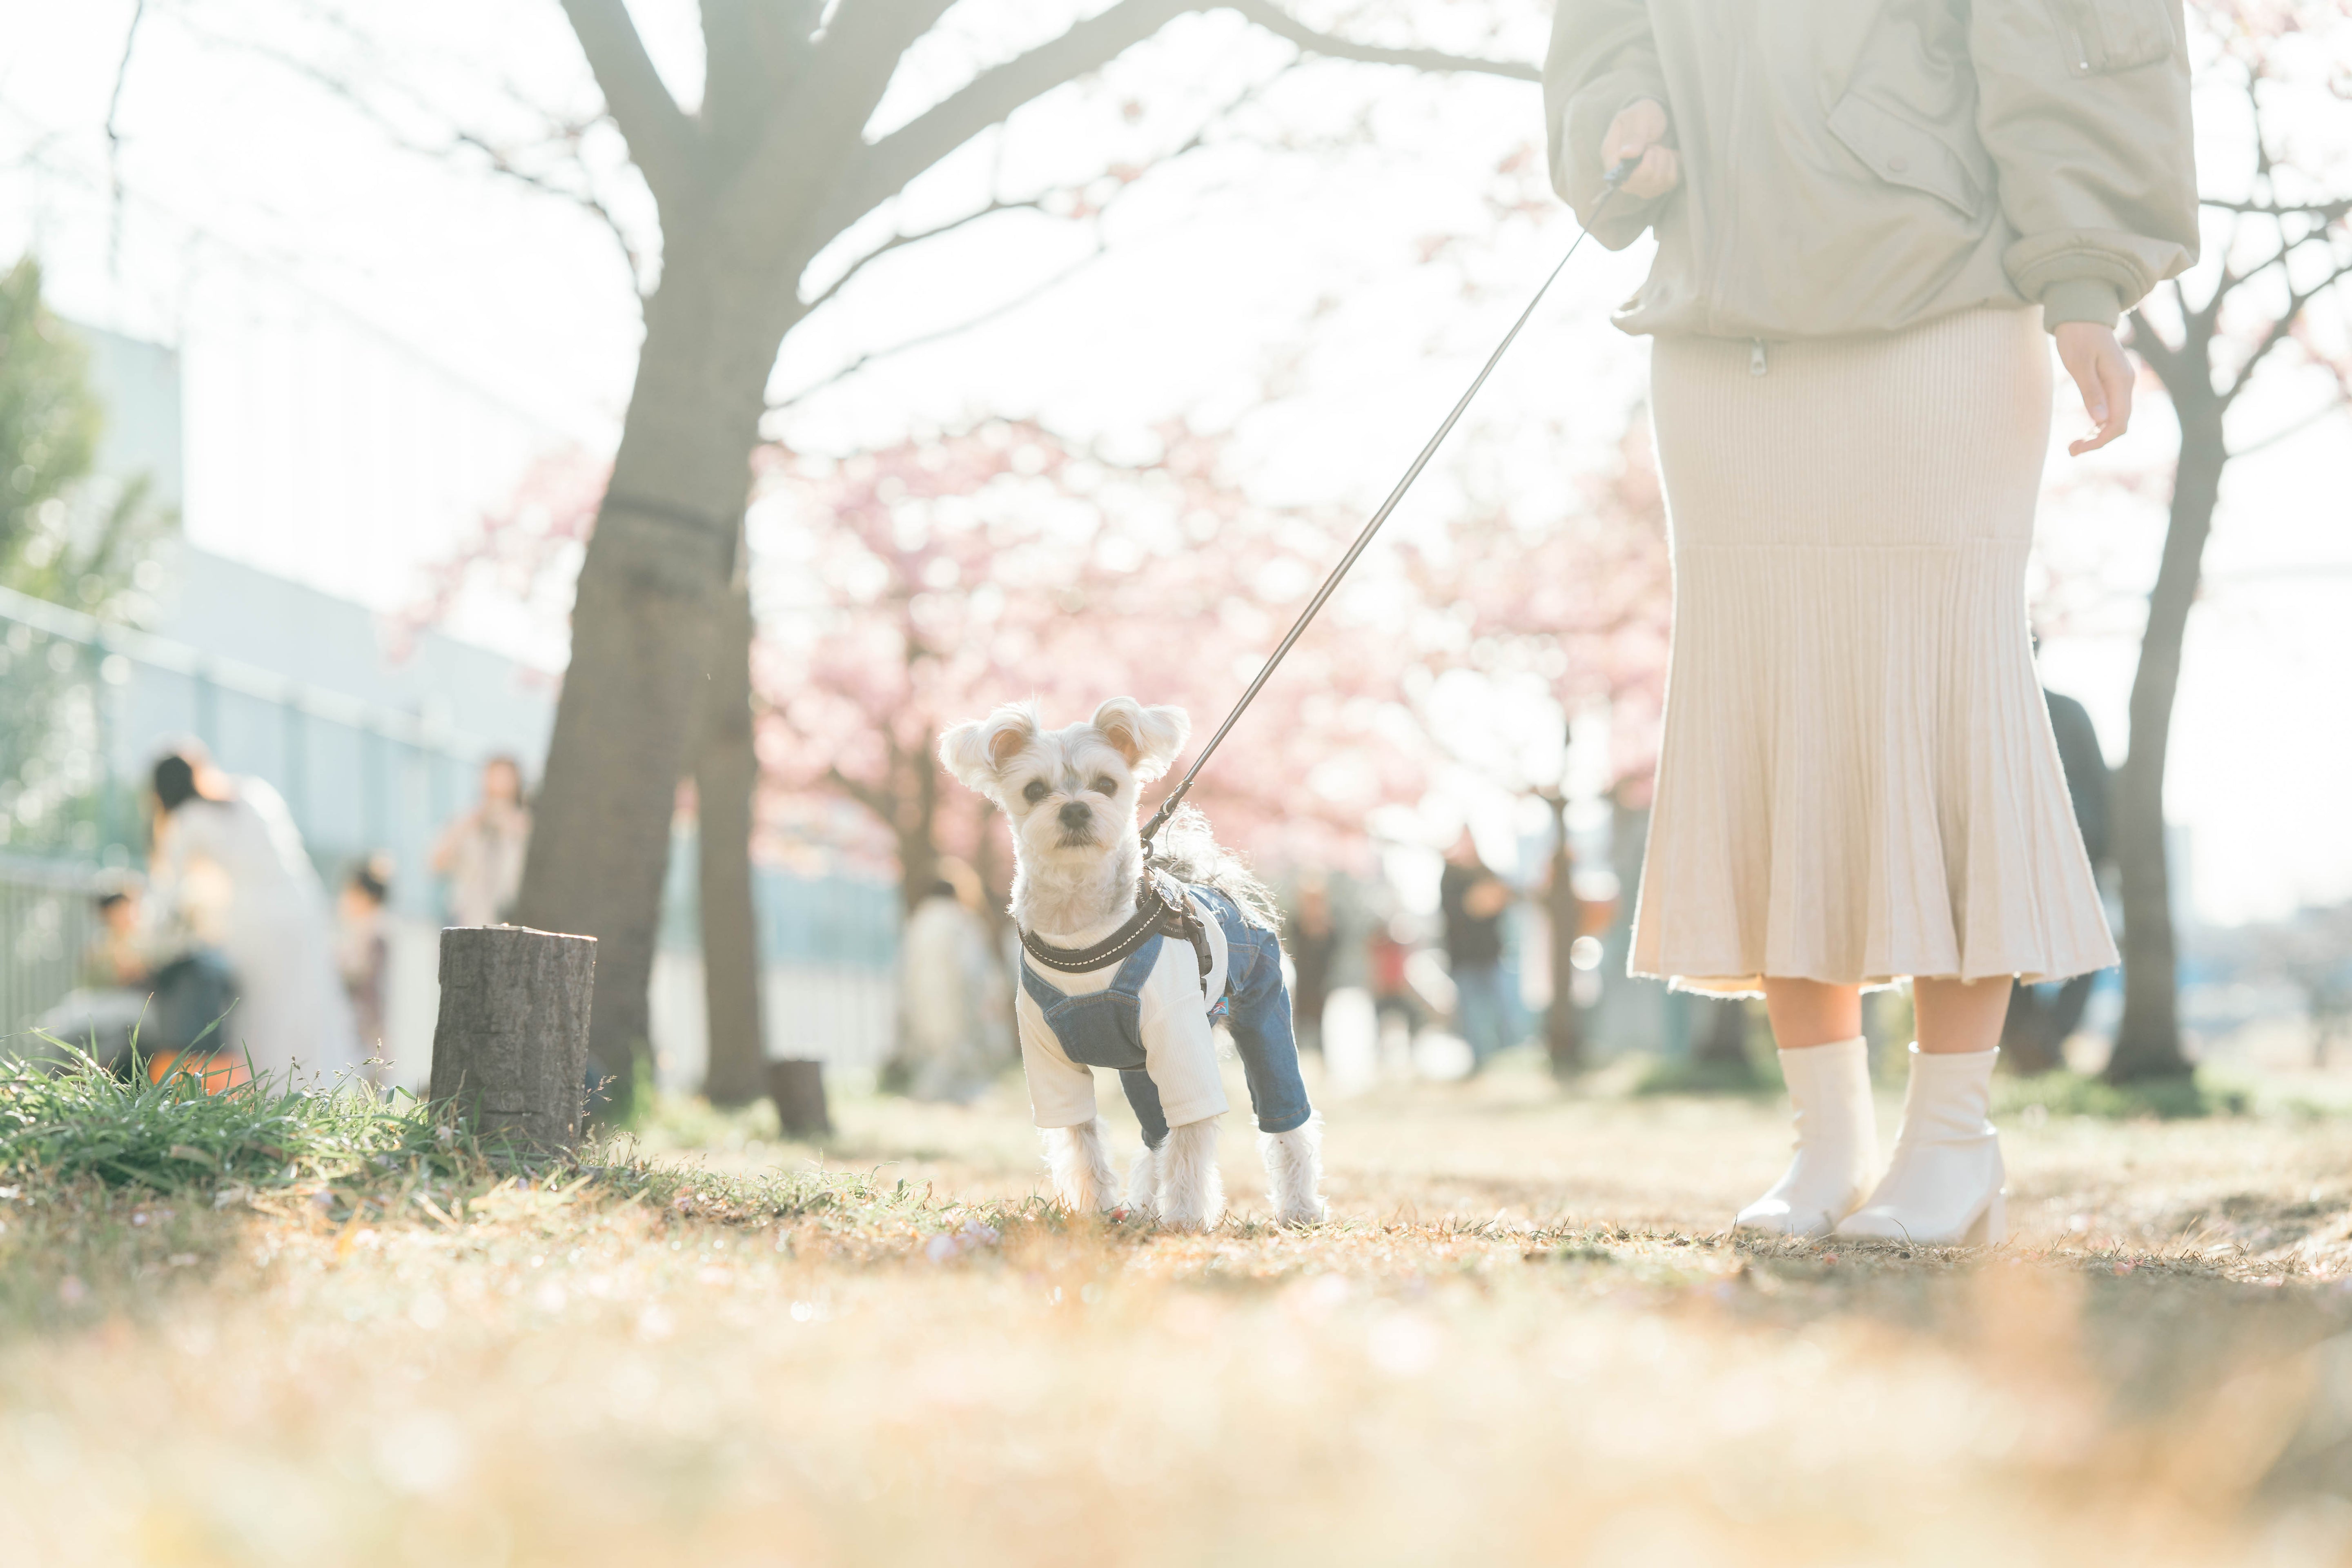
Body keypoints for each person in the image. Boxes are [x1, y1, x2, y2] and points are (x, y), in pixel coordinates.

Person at [1546, 2, 2196, 1241]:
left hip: (1943, 296)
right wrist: (1618, 124)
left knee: (1943, 689)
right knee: (1774, 703)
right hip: (1718, 322)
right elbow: (1604, 37)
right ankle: (1827, 1142)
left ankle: (1952, 1139)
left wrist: (2083, 277)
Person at [148, 747, 361, 1081]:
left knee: (261, 1018)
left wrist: (148, 943)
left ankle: (272, 1098)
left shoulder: (186, 821)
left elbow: (168, 901)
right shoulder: (254, 792)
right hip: (303, 909)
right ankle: (328, 1091)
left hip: (254, 923)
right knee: (311, 1008)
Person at [2000, 682, 2114, 1071]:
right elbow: (2102, 787)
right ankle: (2041, 1039)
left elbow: (2099, 787)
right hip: (2067, 847)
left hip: (2051, 847)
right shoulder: (2066, 710)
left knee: (2007, 953)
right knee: (2086, 952)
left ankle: (2037, 1039)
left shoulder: (2005, 711)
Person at [894, 858, 1012, 1104]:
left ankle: (930, 1098)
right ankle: (930, 1099)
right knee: (958, 1054)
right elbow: (974, 968)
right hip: (956, 1001)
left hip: (922, 1000)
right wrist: (990, 995)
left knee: (935, 1053)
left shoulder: (918, 922)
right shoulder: (961, 923)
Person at [1439, 832, 1516, 1070]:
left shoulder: (1488, 872)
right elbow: (1461, 910)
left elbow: (1500, 902)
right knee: (1472, 1015)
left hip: (1491, 955)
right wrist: (1478, 902)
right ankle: (1479, 1063)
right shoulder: (1450, 876)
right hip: (1464, 958)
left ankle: (1508, 1060)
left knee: (1504, 1010)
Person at [431, 755, 531, 928]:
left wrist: (514, 827)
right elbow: (436, 863)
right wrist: (468, 825)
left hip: (513, 919)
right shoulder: (467, 822)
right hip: (467, 918)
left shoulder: (525, 826)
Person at [337, 854, 395, 1085]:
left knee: (365, 1073)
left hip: (366, 1018)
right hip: (370, 1016)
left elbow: (357, 972)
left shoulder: (373, 928)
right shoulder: (375, 926)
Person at [1283, 873, 1340, 1055]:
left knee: (1324, 1027)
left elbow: (1333, 955)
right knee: (1294, 1025)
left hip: (1322, 985)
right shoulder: (1294, 925)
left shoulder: (1331, 928)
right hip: (1299, 984)